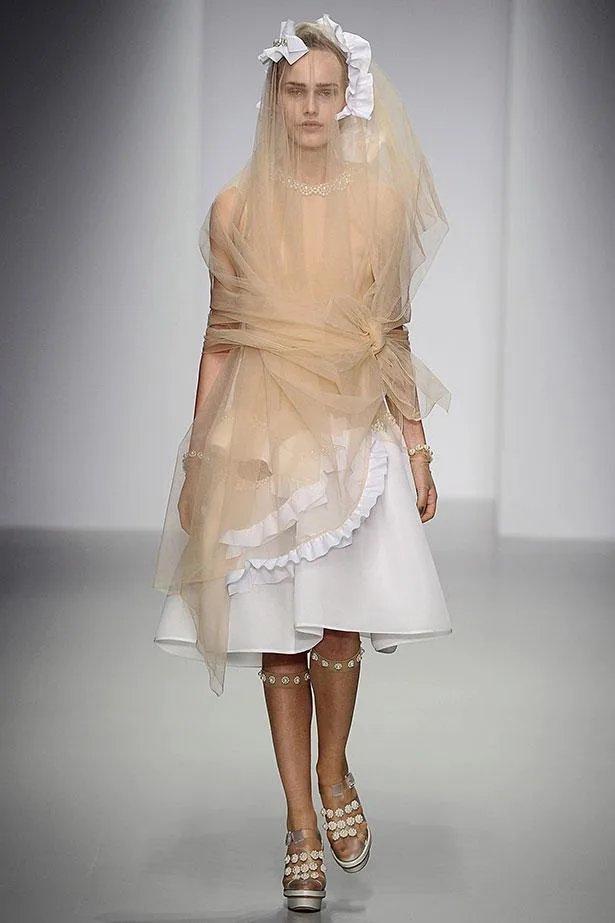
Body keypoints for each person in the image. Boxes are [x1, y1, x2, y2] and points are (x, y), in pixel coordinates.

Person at [152, 13, 453, 914]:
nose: (311, 106)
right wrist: (197, 456)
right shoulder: (235, 208)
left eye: (327, 90)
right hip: (261, 434)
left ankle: (332, 775)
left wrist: (416, 440)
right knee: (276, 632)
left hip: (350, 431)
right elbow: (219, 337)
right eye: (296, 91)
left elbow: (390, 331)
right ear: (274, 98)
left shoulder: (378, 203)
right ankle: (297, 824)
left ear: (346, 96)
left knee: (337, 626)